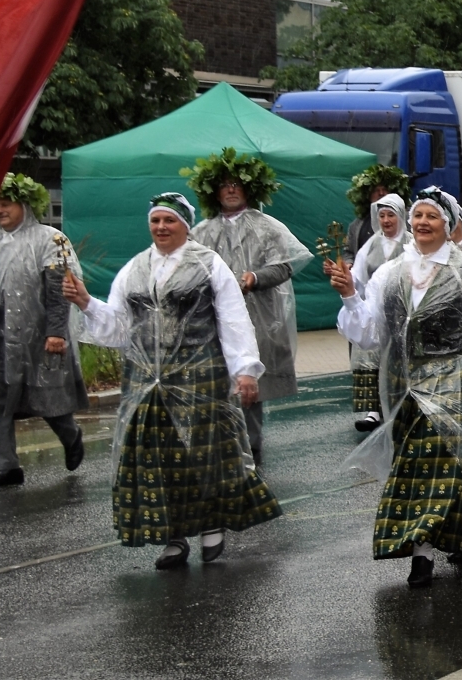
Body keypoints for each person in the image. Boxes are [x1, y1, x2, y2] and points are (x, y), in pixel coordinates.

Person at [63, 193, 280, 570]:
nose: (161, 228)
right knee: (158, 458)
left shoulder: (209, 265)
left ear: (185, 225)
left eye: (169, 221)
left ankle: (211, 524)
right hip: (147, 381)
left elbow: (232, 319)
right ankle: (173, 536)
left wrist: (245, 369)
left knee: (205, 454)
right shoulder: (135, 268)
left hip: (200, 375)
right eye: (155, 221)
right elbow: (118, 329)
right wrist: (86, 303)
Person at [330, 188, 462, 587]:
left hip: (458, 376)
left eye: (432, 217)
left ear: (448, 224)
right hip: (405, 380)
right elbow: (371, 333)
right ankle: (428, 546)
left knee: (442, 459)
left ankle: (430, 546)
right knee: (414, 467)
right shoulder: (390, 274)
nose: (423, 222)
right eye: (418, 215)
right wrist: (350, 297)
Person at [186, 149, 313, 467]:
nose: (230, 189)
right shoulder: (201, 232)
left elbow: (285, 267)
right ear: (213, 191)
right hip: (213, 318)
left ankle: (251, 445)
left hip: (259, 317)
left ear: (248, 190)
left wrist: (254, 278)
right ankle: (219, 441)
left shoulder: (268, 227)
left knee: (248, 379)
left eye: (236, 184)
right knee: (215, 379)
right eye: (224, 184)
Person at [0, 172, 87, 489]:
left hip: (37, 335)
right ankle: (6, 466)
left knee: (46, 397)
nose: (0, 211)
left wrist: (55, 331)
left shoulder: (50, 239)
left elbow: (60, 288)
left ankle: (71, 436)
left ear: (25, 205)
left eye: (6, 204)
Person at [340, 194, 409, 432]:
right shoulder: (370, 245)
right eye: (382, 215)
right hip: (374, 309)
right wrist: (344, 279)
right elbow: (357, 277)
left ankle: (402, 406)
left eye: (391, 215)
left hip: (402, 311)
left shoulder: (411, 243)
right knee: (372, 357)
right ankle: (373, 411)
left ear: (400, 216)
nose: (386, 220)